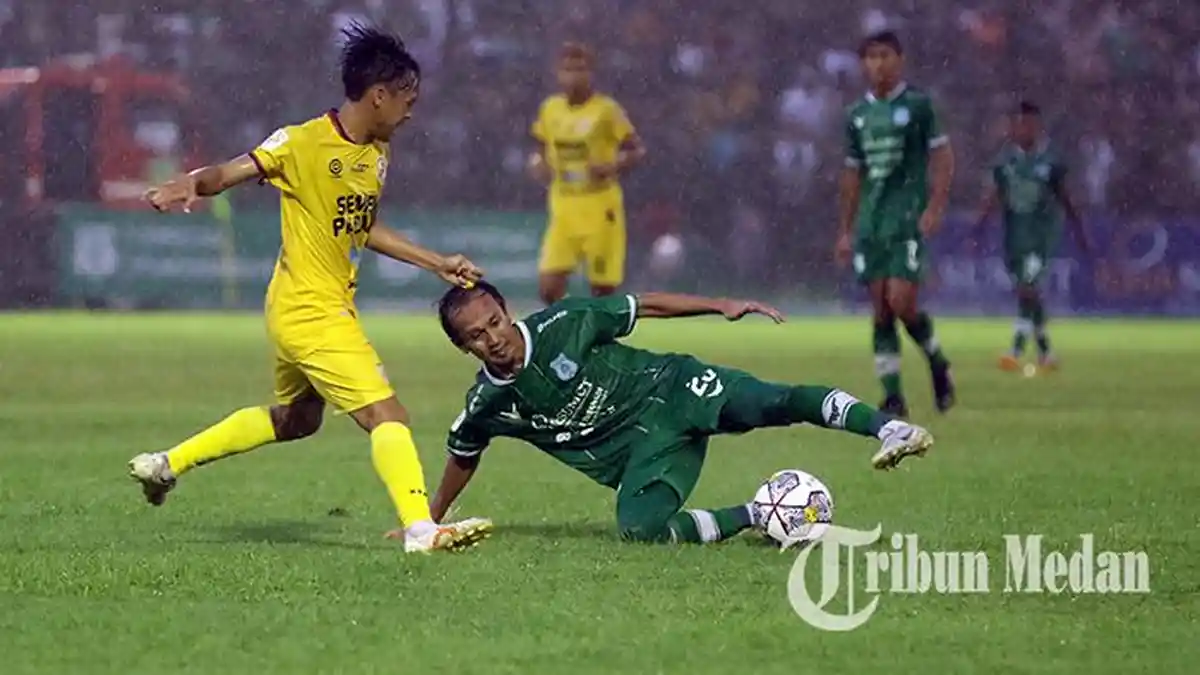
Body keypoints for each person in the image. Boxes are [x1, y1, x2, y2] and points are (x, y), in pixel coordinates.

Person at [128, 23, 491, 554]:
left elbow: (362, 226)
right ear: (378, 96)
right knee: (387, 416)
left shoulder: (376, 153)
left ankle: (165, 465)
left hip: (304, 306)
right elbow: (230, 172)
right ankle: (420, 531)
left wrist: (435, 262)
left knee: (297, 420)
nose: (411, 113)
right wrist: (191, 182)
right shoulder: (301, 142)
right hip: (311, 310)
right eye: (407, 101)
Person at [427, 282, 934, 545]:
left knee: (774, 402)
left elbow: (643, 305)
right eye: (476, 335)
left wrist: (720, 305)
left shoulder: (565, 321)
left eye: (494, 321)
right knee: (639, 532)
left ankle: (890, 428)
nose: (492, 337)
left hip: (674, 389)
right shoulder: (486, 404)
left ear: (506, 310)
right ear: (461, 347)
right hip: (647, 451)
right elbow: (463, 454)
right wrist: (427, 520)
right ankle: (760, 515)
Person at [835, 30, 956, 418]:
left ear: (899, 59)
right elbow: (853, 175)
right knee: (881, 310)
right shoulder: (856, 114)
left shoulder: (919, 105)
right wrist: (846, 229)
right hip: (872, 223)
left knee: (902, 302)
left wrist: (935, 206)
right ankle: (892, 396)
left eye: (885, 55)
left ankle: (937, 361)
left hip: (907, 219)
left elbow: (943, 157)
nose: (878, 64)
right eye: (871, 57)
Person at [527, 42, 646, 305]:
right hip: (563, 205)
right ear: (557, 73)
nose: (573, 76)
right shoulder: (550, 109)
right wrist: (537, 162)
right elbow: (540, 146)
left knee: (602, 289)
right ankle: (568, 332)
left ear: (591, 72)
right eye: (567, 69)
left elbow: (637, 150)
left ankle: (599, 339)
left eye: (580, 69)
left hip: (600, 205)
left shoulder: (606, 110)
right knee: (549, 287)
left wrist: (613, 164)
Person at [973, 101, 1089, 372]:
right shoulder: (1005, 161)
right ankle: (1047, 353)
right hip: (1014, 237)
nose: (1023, 129)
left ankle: (1015, 349)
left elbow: (1066, 197)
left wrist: (1079, 230)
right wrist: (977, 227)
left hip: (1042, 236)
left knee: (1028, 288)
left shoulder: (1051, 160)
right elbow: (993, 196)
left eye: (1028, 124)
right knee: (1028, 293)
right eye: (1018, 123)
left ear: (1037, 127)